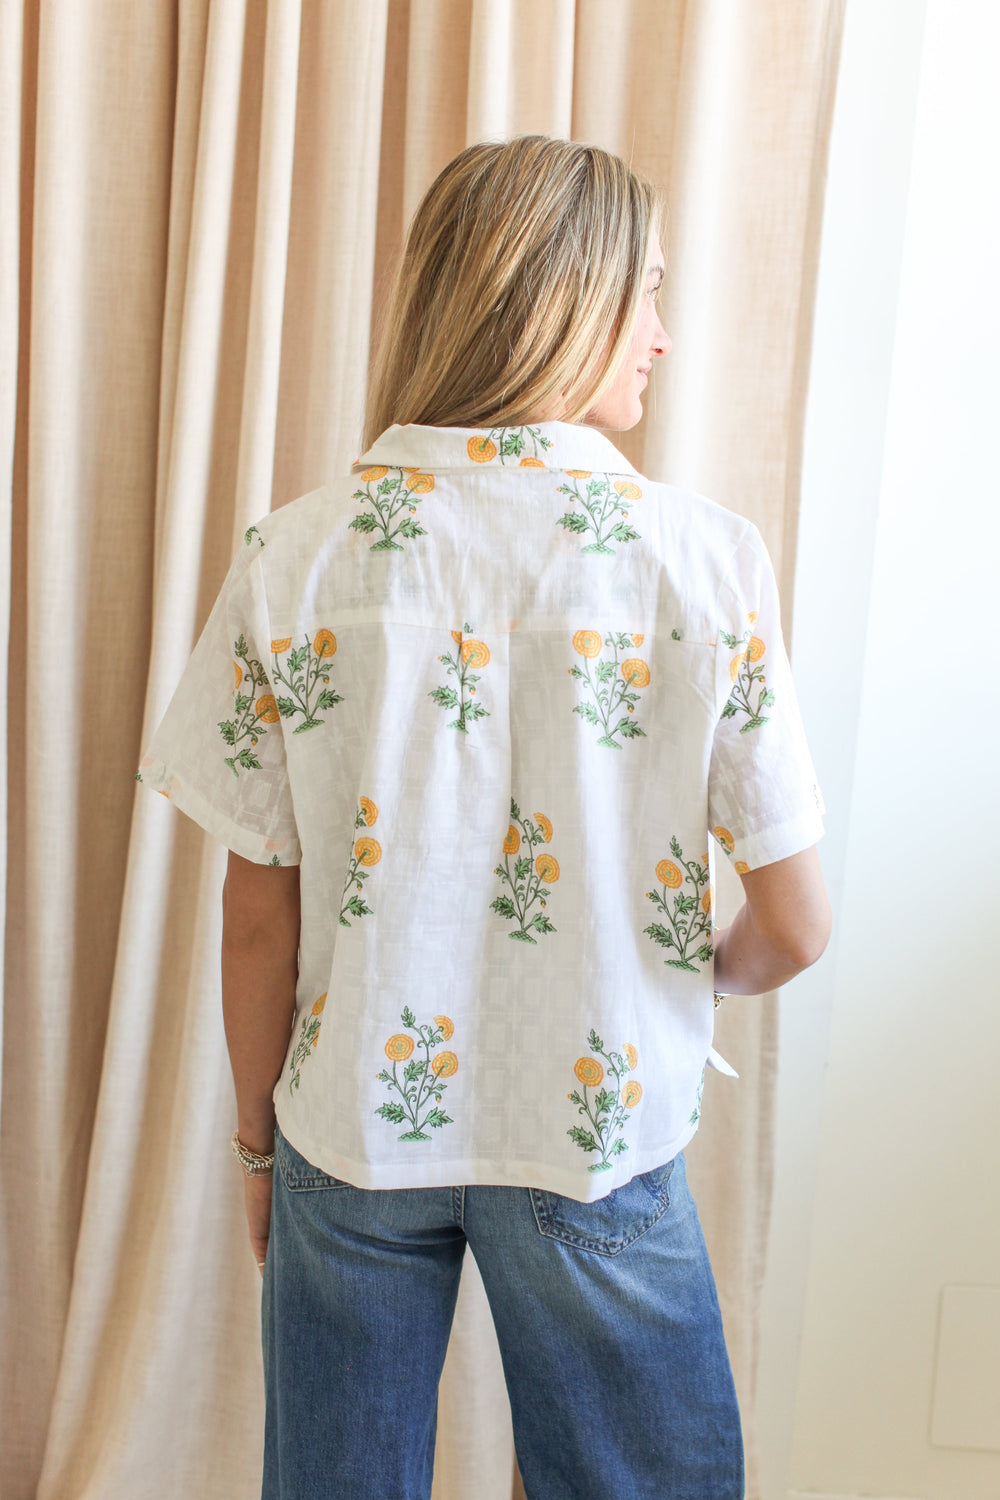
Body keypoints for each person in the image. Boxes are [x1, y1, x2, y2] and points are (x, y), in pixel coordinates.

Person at [138, 135, 831, 1500]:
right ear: (562, 302)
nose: (665, 335)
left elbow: (258, 911)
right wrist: (676, 979)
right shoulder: (702, 561)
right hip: (596, 1125)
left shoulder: (296, 556)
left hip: (352, 1123)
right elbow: (798, 926)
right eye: (647, 293)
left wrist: (256, 1149)